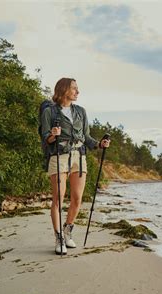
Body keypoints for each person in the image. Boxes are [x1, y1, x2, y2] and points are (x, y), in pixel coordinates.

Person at [41, 78, 110, 255]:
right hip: (59, 156)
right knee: (58, 199)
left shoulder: (80, 111)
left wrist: (99, 144)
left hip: (79, 157)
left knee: (78, 198)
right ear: (64, 90)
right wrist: (52, 135)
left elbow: (86, 136)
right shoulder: (49, 111)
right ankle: (59, 239)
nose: (77, 92)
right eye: (74, 88)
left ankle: (68, 231)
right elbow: (45, 138)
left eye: (77, 89)